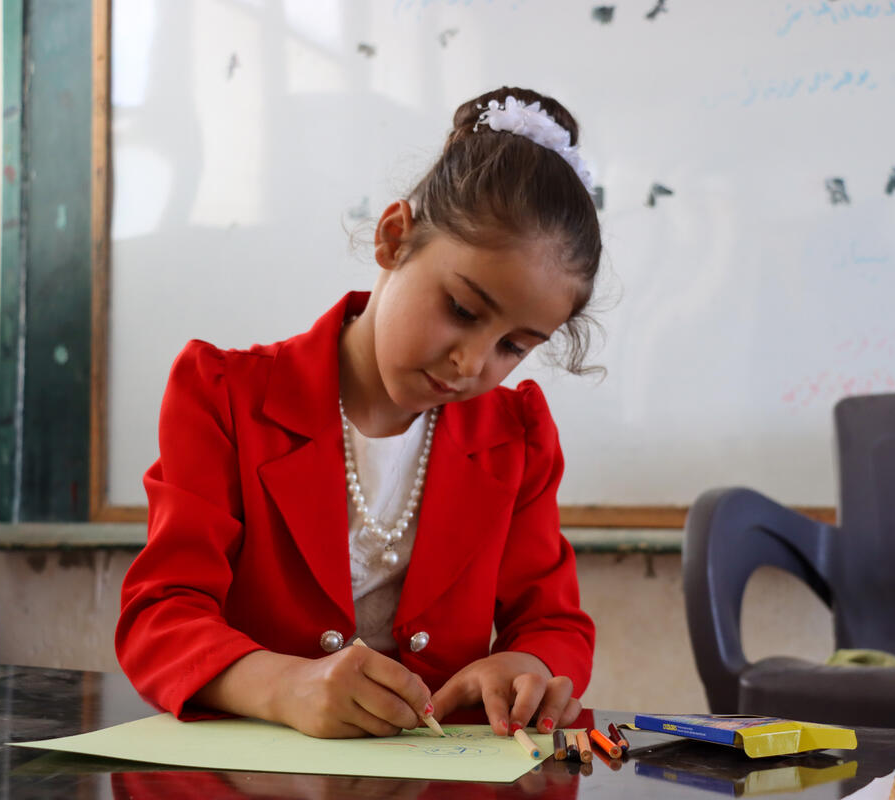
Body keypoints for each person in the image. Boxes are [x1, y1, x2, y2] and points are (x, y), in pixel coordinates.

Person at [116, 86, 602, 741]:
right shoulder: (223, 395)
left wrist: (528, 663)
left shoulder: (516, 436)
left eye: (514, 347)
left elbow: (554, 623)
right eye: (462, 309)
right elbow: (160, 615)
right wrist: (282, 686)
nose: (471, 364)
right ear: (394, 238)